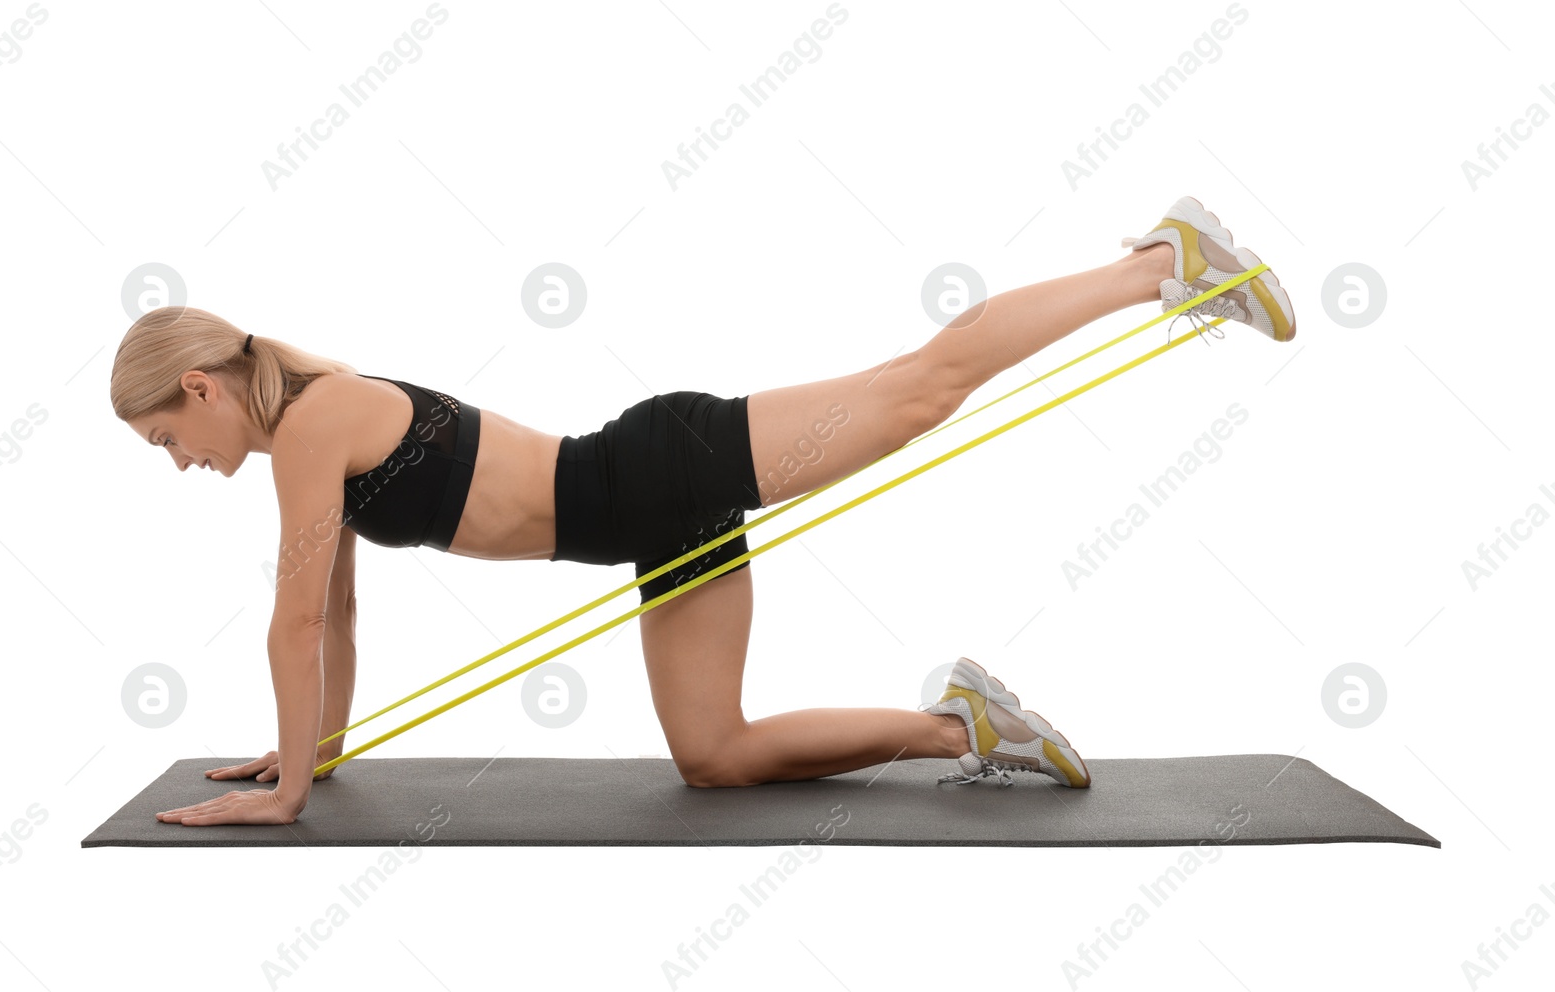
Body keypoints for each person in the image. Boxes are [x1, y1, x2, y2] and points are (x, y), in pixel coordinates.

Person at [111, 196, 1295, 826]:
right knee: (713, 758)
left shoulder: (311, 423)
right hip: (648, 523)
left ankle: (1160, 263)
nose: (178, 462)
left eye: (168, 437)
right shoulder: (311, 425)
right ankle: (965, 728)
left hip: (655, 466)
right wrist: (310, 749)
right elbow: (339, 618)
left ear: (202, 387)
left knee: (919, 388)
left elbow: (294, 626)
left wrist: (289, 797)